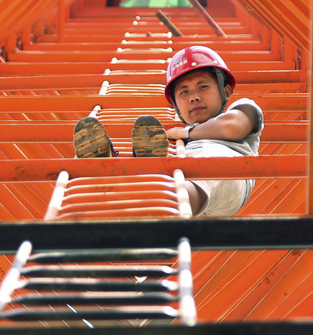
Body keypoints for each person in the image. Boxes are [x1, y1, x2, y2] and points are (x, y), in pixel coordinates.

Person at [72, 45, 263, 217]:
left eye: (203, 87)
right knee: (163, 171)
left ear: (226, 91)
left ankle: (148, 194)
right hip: (182, 183)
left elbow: (231, 128)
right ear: (175, 105)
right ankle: (126, 179)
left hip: (224, 183)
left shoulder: (243, 107)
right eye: (184, 92)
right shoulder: (173, 143)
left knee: (207, 167)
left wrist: (185, 133)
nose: (194, 97)